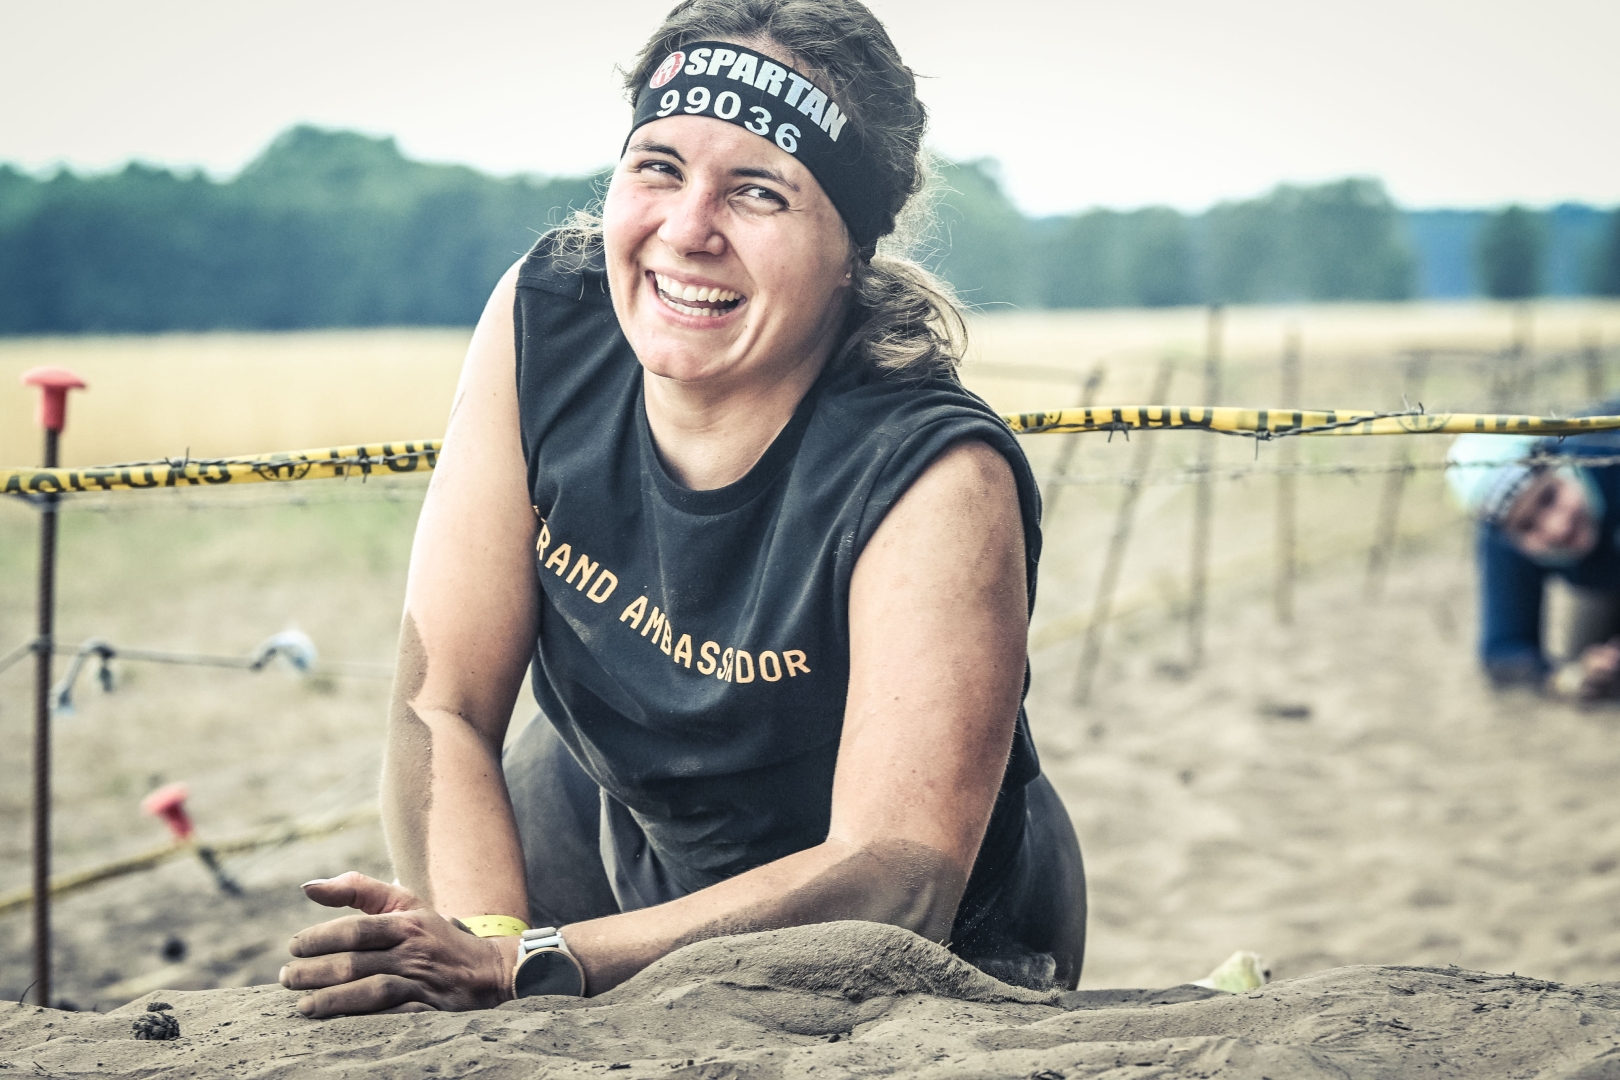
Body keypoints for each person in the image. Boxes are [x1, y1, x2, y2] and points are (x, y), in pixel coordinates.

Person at [277, 0, 1086, 1017]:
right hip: (623, 841)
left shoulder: (935, 471)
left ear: (851, 247)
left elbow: (897, 875)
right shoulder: (546, 319)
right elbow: (443, 705)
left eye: (758, 192)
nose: (688, 230)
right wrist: (481, 945)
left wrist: (536, 961)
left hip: (936, 937)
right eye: (658, 168)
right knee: (533, 786)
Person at [1448, 426, 1620, 700]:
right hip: (1606, 588)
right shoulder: (1504, 541)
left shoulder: (1607, 449)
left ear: (1559, 462)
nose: (1557, 527)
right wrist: (1564, 678)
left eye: (1549, 497)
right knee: (1595, 669)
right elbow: (1503, 649)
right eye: (1527, 526)